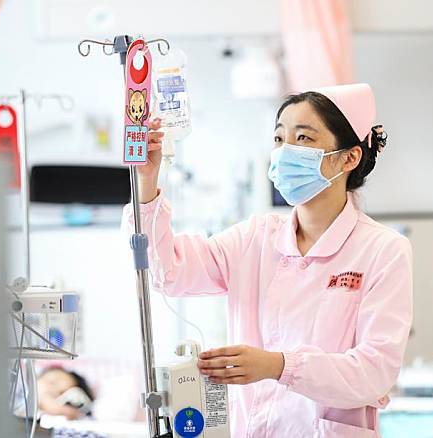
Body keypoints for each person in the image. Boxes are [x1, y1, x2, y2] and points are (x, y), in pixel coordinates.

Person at [123, 83, 413, 437]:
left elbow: (374, 372)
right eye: (279, 139)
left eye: (303, 139)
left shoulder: (383, 249)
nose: (285, 152)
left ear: (349, 158)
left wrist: (278, 366)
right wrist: (146, 183)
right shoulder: (254, 238)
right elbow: (169, 272)